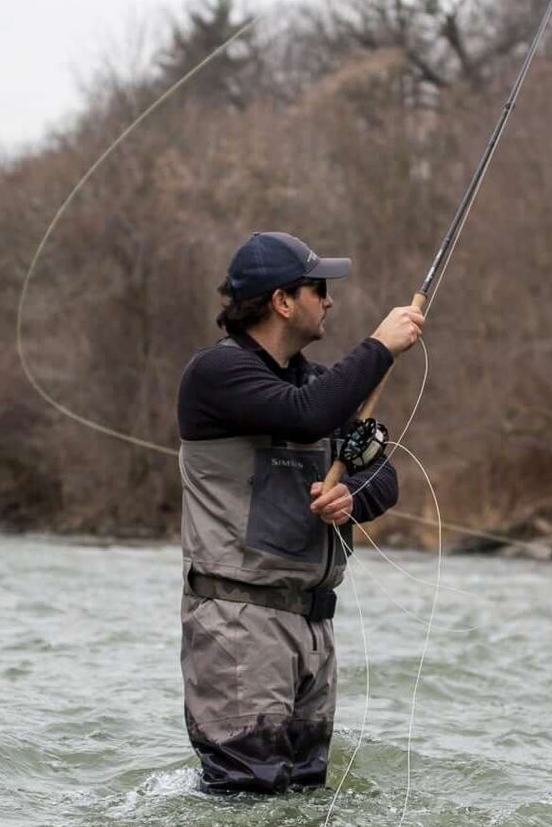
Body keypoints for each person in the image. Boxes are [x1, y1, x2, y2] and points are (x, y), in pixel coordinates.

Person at [176, 231, 424, 792]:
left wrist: (353, 496)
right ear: (282, 301)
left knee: (303, 800)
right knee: (248, 798)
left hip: (313, 627)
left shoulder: (318, 384)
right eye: (319, 288)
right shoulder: (216, 375)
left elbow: (386, 474)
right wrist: (380, 346)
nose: (329, 300)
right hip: (240, 625)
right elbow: (306, 415)